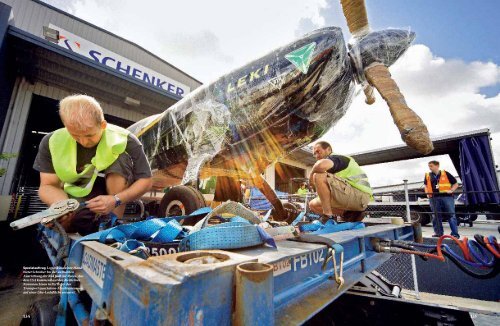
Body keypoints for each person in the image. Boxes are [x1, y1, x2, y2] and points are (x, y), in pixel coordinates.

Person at [33, 94, 153, 235]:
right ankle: (75, 219)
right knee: (71, 223)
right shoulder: (52, 142)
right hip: (76, 194)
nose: (83, 142)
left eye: (89, 135)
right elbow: (48, 185)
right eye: (75, 136)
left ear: (103, 125)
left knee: (122, 156)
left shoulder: (125, 140)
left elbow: (146, 180)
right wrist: (62, 206)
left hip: (112, 196)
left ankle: (110, 222)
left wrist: (116, 200)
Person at [308, 141, 372, 223]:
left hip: (360, 196)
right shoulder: (331, 168)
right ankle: (350, 214)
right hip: (349, 197)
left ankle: (327, 215)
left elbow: (321, 165)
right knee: (313, 205)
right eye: (314, 154)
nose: (316, 156)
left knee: (318, 175)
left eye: (318, 152)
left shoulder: (336, 158)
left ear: (328, 149)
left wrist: (311, 176)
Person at [424, 160, 460, 238]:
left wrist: (451, 190)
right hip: (433, 198)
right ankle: (438, 233)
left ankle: (455, 234)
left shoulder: (446, 173)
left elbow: (456, 184)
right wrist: (427, 194)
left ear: (437, 166)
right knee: (436, 216)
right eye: (429, 166)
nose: (430, 168)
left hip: (446, 197)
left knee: (451, 215)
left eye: (431, 166)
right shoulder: (427, 175)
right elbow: (426, 186)